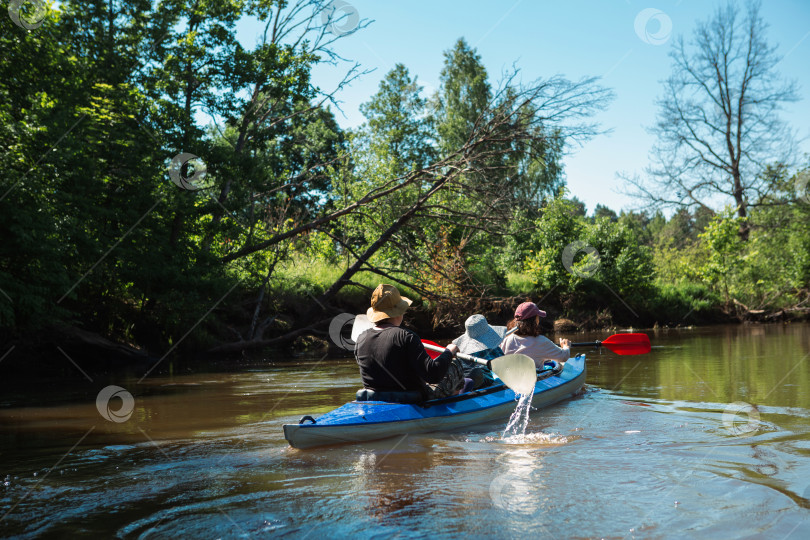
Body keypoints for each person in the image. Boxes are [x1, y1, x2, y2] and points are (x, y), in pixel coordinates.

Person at [355, 284, 465, 400]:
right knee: (454, 364)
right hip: (412, 399)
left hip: (373, 398)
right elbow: (433, 375)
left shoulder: (361, 338)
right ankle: (453, 408)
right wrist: (448, 352)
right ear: (398, 312)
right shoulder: (406, 336)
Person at [500, 301, 570, 368]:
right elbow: (563, 357)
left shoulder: (506, 339)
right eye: (538, 317)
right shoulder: (541, 341)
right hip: (534, 378)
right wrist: (566, 347)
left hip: (509, 378)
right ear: (535, 320)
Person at [452, 314, 505, 389]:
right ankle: (479, 378)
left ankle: (471, 379)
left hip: (468, 373)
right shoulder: (494, 348)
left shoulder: (462, 353)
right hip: (486, 376)